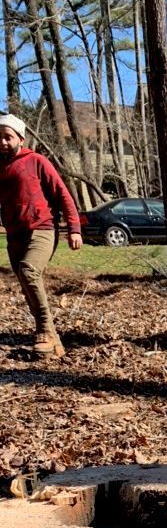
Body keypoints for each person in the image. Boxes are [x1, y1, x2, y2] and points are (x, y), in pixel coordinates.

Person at [0, 114, 81, 357]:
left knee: (29, 270)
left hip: (42, 228)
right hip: (15, 234)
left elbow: (63, 194)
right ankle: (53, 343)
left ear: (20, 139)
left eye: (8, 137)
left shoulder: (36, 161)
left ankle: (44, 331)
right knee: (26, 284)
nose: (3, 142)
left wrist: (74, 228)